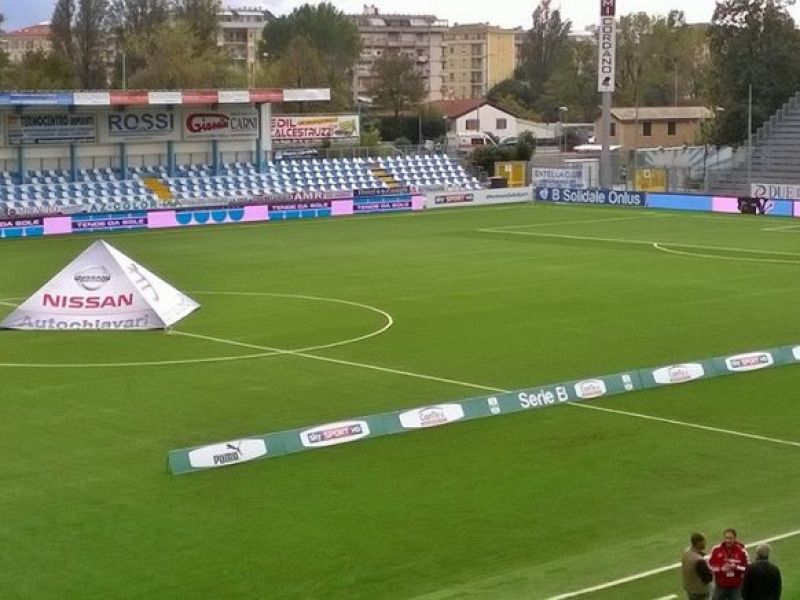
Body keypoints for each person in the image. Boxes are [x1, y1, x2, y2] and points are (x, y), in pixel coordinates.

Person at [709, 528, 750, 600]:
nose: (728, 540)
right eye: (726, 538)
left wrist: (736, 567)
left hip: (736, 587)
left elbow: (748, 568)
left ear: (735, 538)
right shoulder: (716, 550)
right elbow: (710, 566)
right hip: (720, 586)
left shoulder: (742, 551)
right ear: (724, 538)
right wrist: (721, 568)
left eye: (731, 538)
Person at [683, 532, 714, 600]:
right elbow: (708, 579)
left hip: (689, 588)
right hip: (700, 592)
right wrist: (712, 571)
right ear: (698, 543)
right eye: (703, 541)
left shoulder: (686, 552)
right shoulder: (699, 561)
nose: (705, 543)